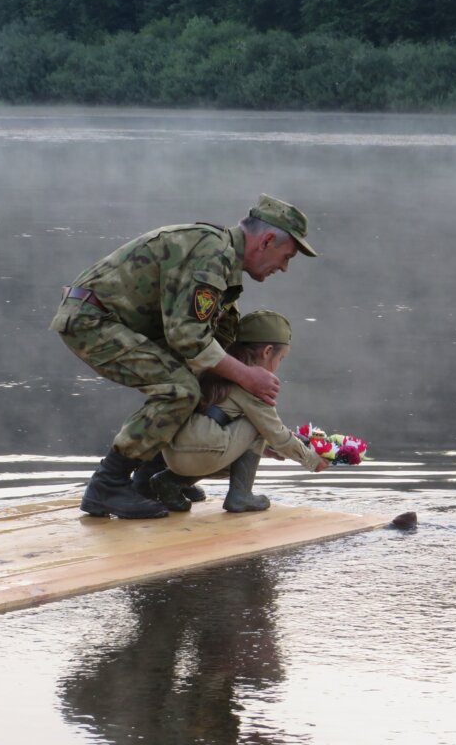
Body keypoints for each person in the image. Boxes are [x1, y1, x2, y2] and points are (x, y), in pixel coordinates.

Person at [50, 195, 318, 519]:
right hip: (92, 320)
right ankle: (107, 486)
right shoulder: (212, 254)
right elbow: (187, 337)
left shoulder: (221, 258)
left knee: (196, 381)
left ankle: (149, 479)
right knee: (179, 389)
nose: (284, 268)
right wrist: (247, 376)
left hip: (114, 320)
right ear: (267, 241)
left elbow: (204, 340)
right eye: (286, 256)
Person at [146, 310, 330, 513]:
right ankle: (240, 496)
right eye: (281, 358)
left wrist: (264, 448)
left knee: (255, 429)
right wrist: (313, 461)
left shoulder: (215, 367)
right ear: (268, 351)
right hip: (202, 453)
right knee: (260, 425)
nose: (279, 366)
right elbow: (278, 435)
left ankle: (170, 481)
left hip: (171, 455)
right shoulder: (256, 385)